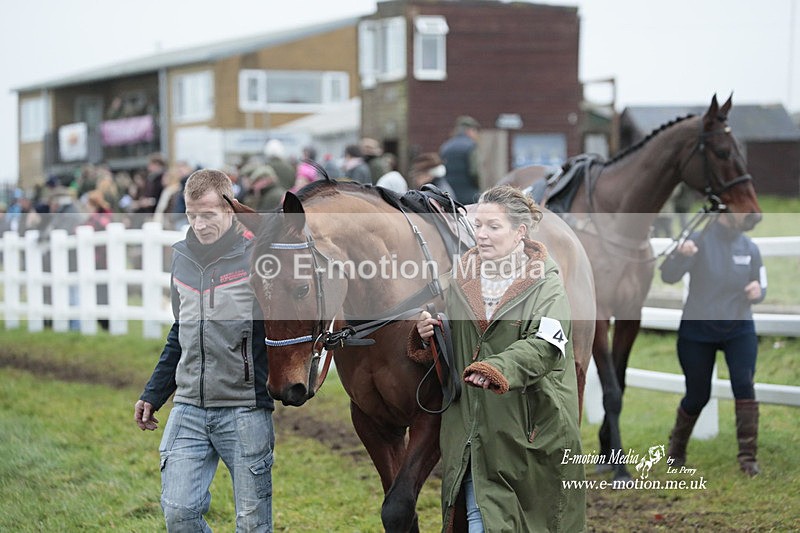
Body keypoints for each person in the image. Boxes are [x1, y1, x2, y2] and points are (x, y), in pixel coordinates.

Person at [413, 185, 585, 531]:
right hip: (472, 430)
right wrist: (426, 329)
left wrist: (497, 368)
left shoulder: (546, 283)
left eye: (494, 227)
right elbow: (450, 324)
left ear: (520, 232)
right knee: (480, 517)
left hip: (530, 430)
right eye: (478, 226)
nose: (482, 235)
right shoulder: (462, 276)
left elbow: (546, 345)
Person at [134, 169, 274, 531]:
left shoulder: (257, 259)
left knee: (252, 523)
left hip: (244, 408)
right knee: (178, 513)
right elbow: (179, 332)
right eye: (191, 214)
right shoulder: (181, 259)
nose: (198, 224)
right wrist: (154, 392)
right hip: (189, 407)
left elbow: (287, 328)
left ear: (230, 210)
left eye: (207, 214)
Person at [660, 211, 766, 476]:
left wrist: (758, 291)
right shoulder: (698, 240)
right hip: (697, 331)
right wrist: (681, 256)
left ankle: (748, 459)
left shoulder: (749, 247)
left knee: (744, 386)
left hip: (738, 328)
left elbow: (760, 284)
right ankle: (676, 451)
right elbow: (668, 276)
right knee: (698, 395)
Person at [439, 115, 483, 205]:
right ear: (469, 130)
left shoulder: (445, 146)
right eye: (475, 131)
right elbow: (474, 172)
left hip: (449, 195)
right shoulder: (471, 146)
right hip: (469, 196)